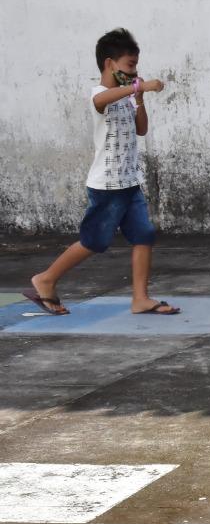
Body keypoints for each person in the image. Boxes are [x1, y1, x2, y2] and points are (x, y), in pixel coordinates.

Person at [24, 28, 178, 317]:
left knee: (144, 235)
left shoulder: (129, 95)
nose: (134, 72)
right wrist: (138, 88)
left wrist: (140, 99)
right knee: (94, 241)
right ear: (110, 64)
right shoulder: (100, 95)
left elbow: (141, 129)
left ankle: (140, 298)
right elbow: (102, 100)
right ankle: (45, 279)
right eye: (129, 65)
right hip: (107, 185)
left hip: (129, 182)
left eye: (136, 67)